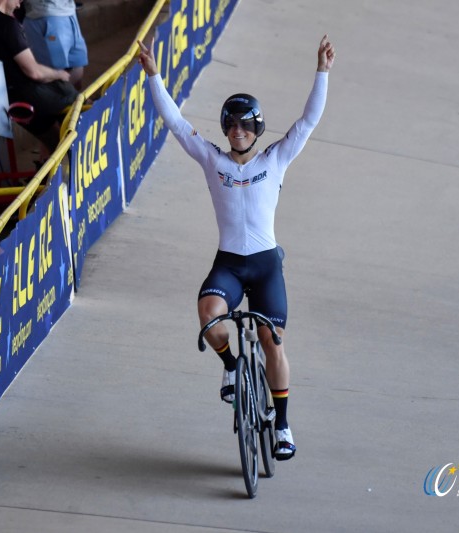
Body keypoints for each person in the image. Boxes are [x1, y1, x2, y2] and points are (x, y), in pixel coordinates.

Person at [137, 35, 336, 460]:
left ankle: (282, 426)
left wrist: (322, 72)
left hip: (265, 266)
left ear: (257, 129)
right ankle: (231, 368)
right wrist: (154, 76)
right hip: (229, 263)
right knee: (209, 315)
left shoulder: (275, 160)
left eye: (246, 125)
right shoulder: (213, 159)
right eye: (231, 124)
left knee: (271, 339)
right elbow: (176, 124)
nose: (238, 131)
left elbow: (308, 122)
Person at [0, 0, 79, 151]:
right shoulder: (7, 25)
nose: (18, 5)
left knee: (59, 146)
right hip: (28, 99)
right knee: (81, 102)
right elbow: (34, 72)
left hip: (10, 99)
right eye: (18, 0)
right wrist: (59, 74)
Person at [22, 0, 88, 90]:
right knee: (55, 72)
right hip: (46, 16)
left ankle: (76, 100)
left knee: (78, 63)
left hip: (69, 12)